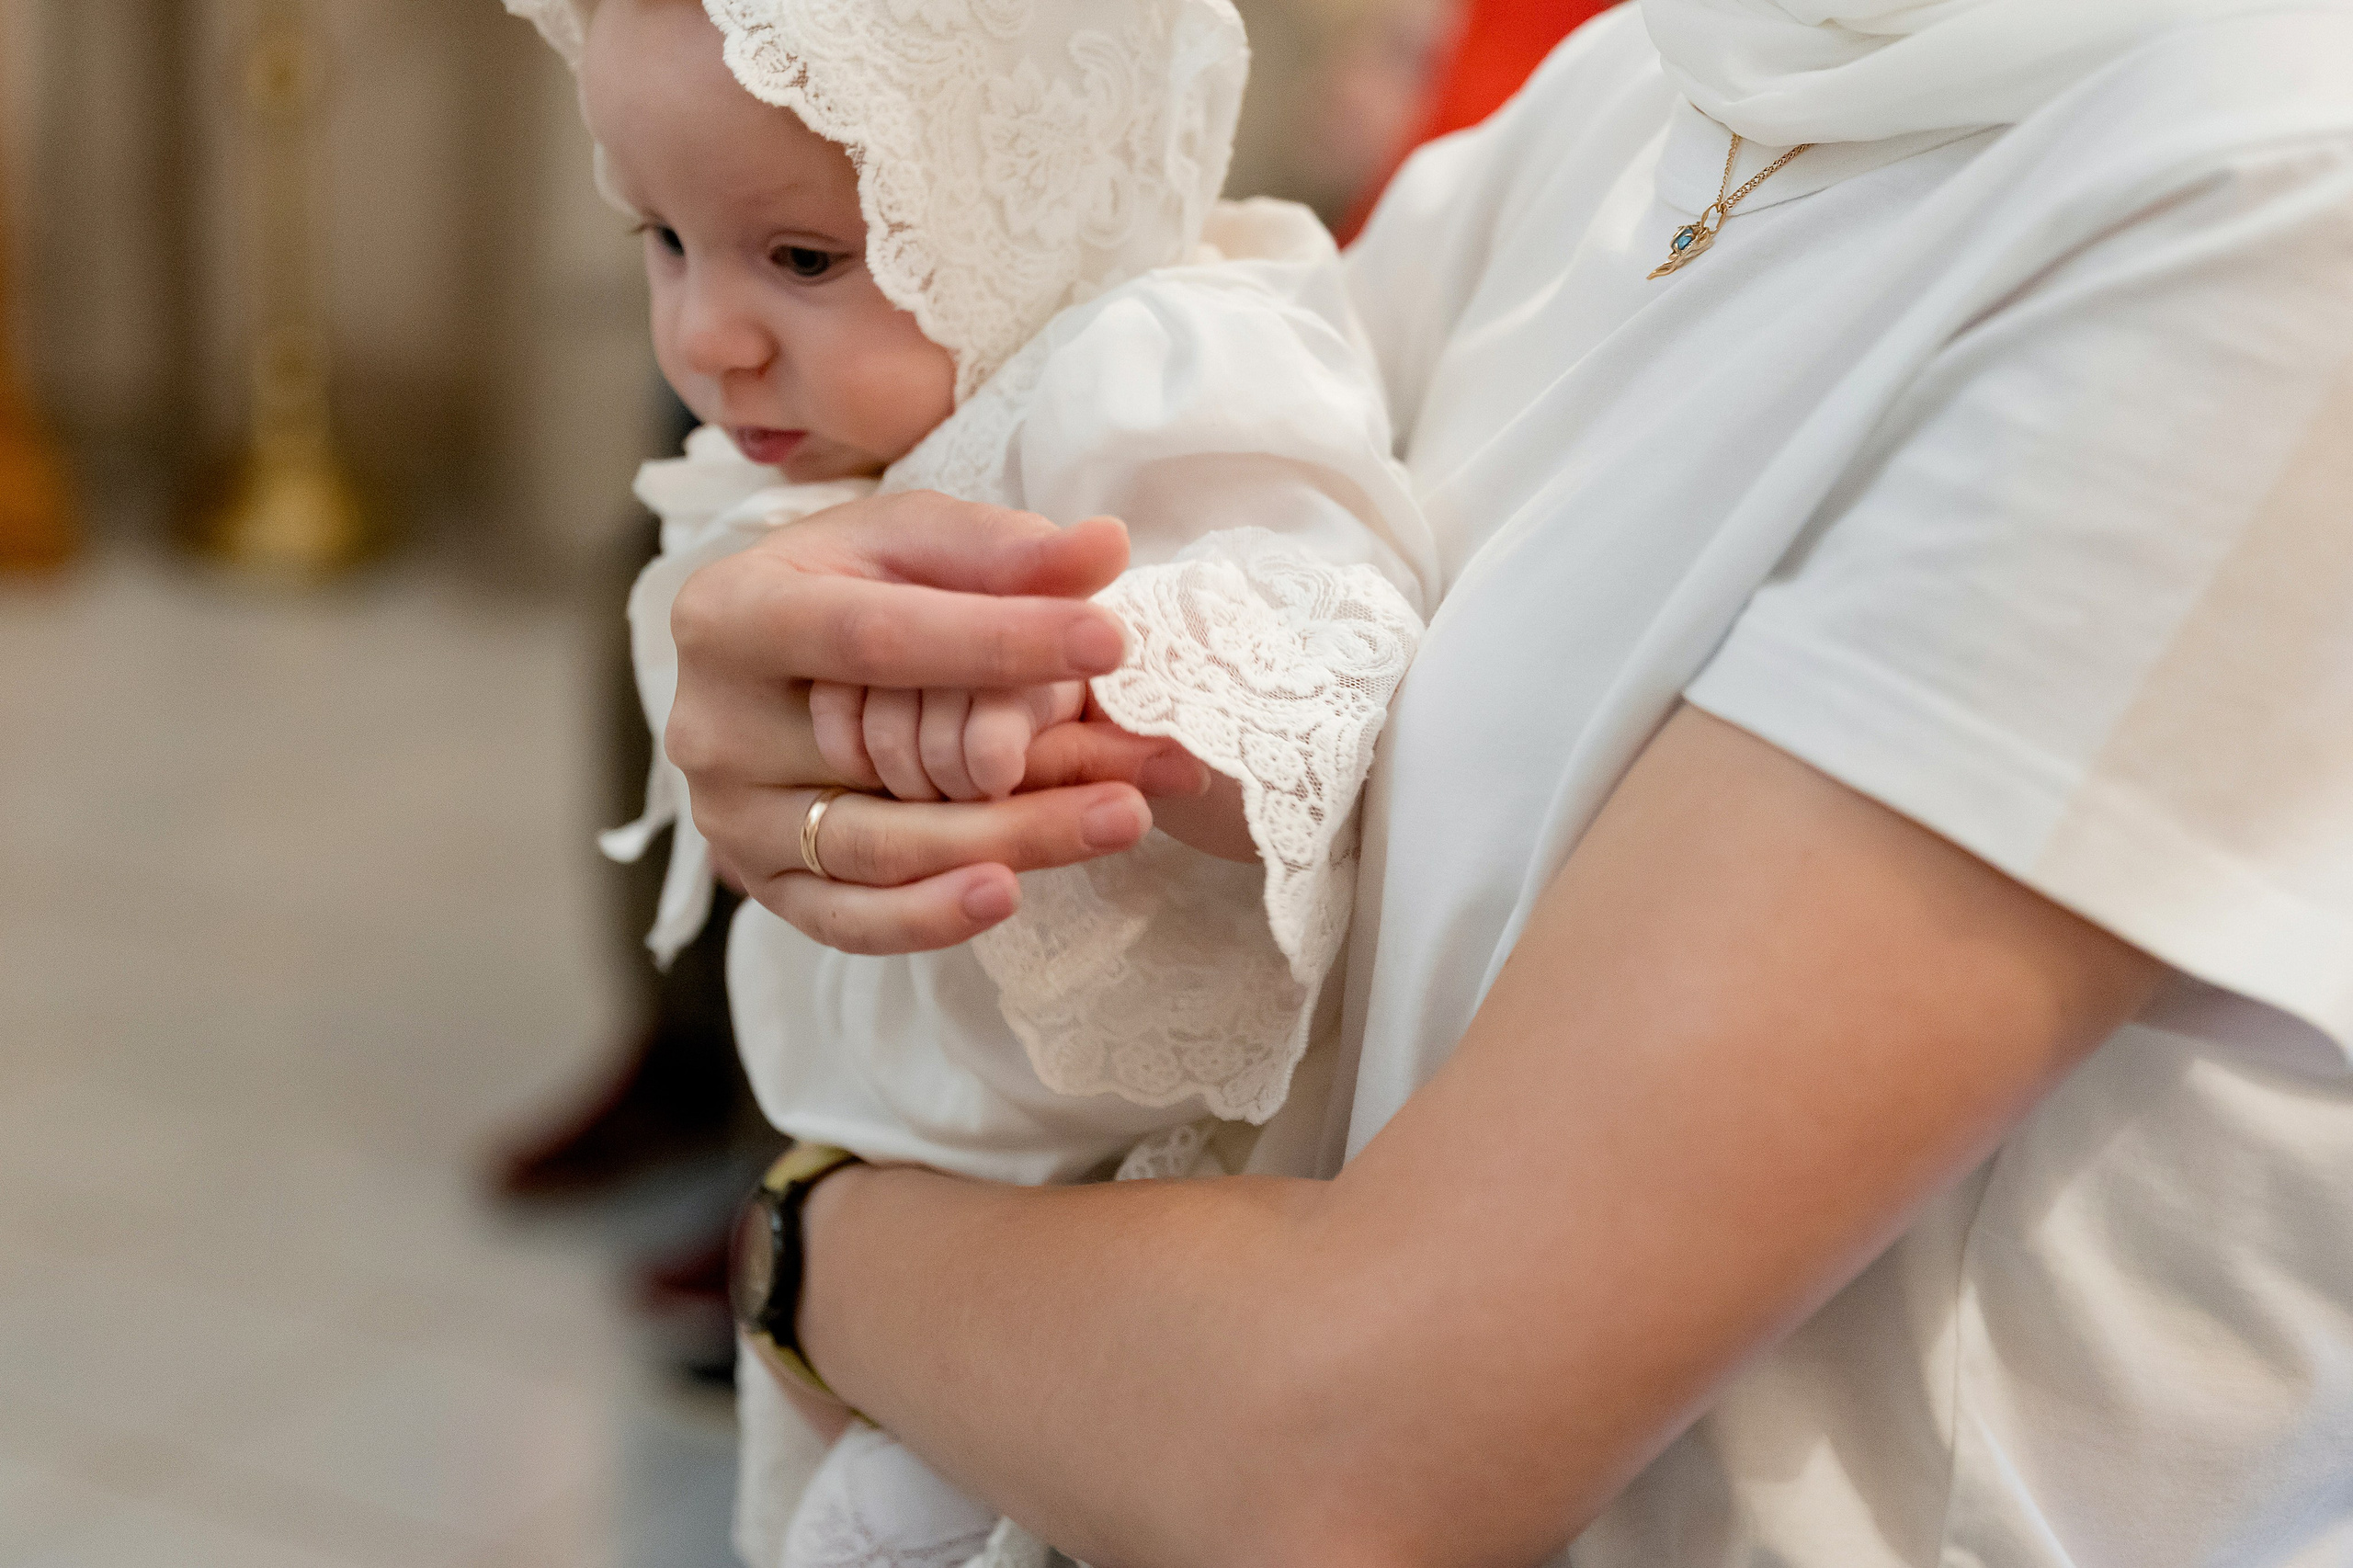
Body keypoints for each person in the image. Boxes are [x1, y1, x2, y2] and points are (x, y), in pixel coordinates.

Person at [653, 1, 2353, 1564]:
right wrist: (841, 662)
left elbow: (1363, 1446)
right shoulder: (1664, 74)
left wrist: (810, 1249)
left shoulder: (2271, 201)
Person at [498, 0, 1437, 1561]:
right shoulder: (827, 432)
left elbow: (1342, 679)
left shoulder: (1151, 367)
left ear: (1030, 187)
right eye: (665, 237)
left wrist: (1100, 684)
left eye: (801, 258)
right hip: (890, 1190)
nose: (706, 336)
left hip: (1105, 1237)